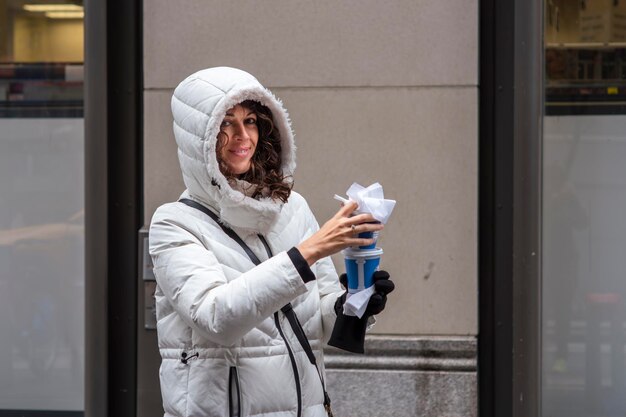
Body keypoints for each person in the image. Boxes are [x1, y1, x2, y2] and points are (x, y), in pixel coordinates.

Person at [149, 67, 394, 417]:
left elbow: (320, 324)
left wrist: (354, 302)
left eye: (250, 121)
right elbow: (218, 318)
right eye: (224, 123)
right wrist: (310, 250)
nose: (241, 136)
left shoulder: (292, 208)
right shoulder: (175, 222)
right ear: (197, 139)